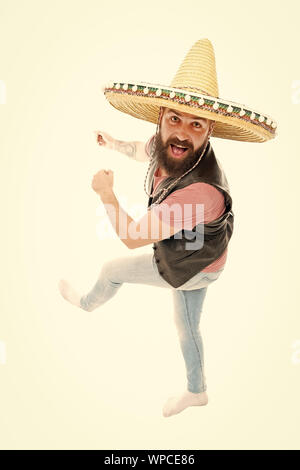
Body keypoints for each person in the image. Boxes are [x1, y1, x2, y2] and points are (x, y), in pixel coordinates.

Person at [58, 39, 277, 417]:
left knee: (112, 271)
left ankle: (85, 304)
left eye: (196, 124)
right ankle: (198, 393)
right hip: (202, 257)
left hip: (191, 267)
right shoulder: (170, 144)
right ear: (160, 118)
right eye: (174, 118)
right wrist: (113, 144)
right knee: (186, 326)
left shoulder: (197, 193)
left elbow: (131, 237)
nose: (182, 132)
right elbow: (144, 150)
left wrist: (106, 194)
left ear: (209, 132)